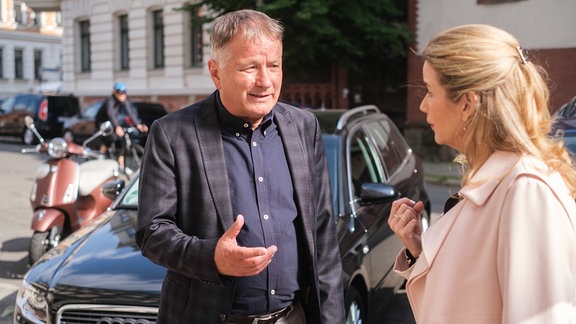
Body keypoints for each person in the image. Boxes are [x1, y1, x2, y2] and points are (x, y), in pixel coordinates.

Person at [135, 9, 344, 324]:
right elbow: (152, 232)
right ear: (216, 73)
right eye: (249, 67)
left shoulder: (303, 126)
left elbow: (323, 235)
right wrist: (212, 258)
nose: (265, 81)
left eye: (273, 66)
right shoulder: (172, 133)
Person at [388, 24, 576, 323]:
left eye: (430, 91)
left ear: (467, 103)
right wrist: (417, 249)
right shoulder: (498, 180)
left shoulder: (527, 190)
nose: (423, 105)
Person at [96, 82, 148, 170]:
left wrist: (138, 125)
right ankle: (100, 156)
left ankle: (121, 157)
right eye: (120, 93)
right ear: (115, 93)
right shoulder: (110, 100)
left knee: (125, 135)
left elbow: (130, 113)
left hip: (112, 121)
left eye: (124, 93)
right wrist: (117, 127)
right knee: (111, 137)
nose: (122, 95)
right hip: (103, 122)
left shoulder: (124, 100)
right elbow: (111, 114)